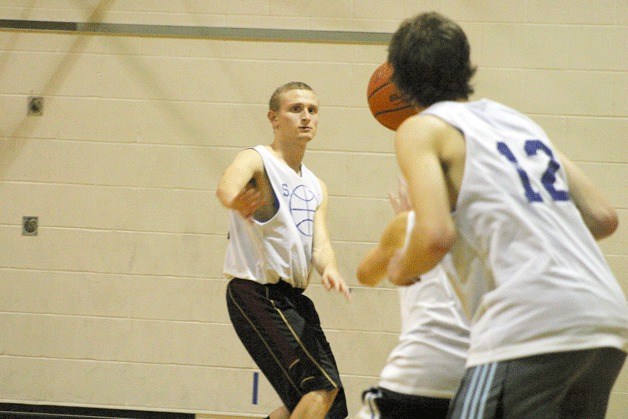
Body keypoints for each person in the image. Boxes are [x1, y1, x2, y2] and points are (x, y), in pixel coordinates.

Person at [382, 11, 628, 418]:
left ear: (398, 78)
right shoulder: (518, 124)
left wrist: (401, 268)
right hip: (603, 322)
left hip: (529, 325)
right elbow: (604, 218)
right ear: (465, 65)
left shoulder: (421, 128)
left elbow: (434, 237)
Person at [216, 82, 350, 419]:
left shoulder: (316, 185)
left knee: (328, 406)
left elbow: (320, 243)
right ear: (273, 118)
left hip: (292, 299)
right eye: (296, 109)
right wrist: (235, 200)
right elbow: (227, 185)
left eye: (312, 110)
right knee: (319, 388)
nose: (306, 117)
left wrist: (329, 269)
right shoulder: (257, 159)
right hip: (256, 292)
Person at [356, 182, 470, 418]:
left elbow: (365, 275)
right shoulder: (491, 232)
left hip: (418, 372)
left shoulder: (408, 224)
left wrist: (403, 231)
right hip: (473, 379)